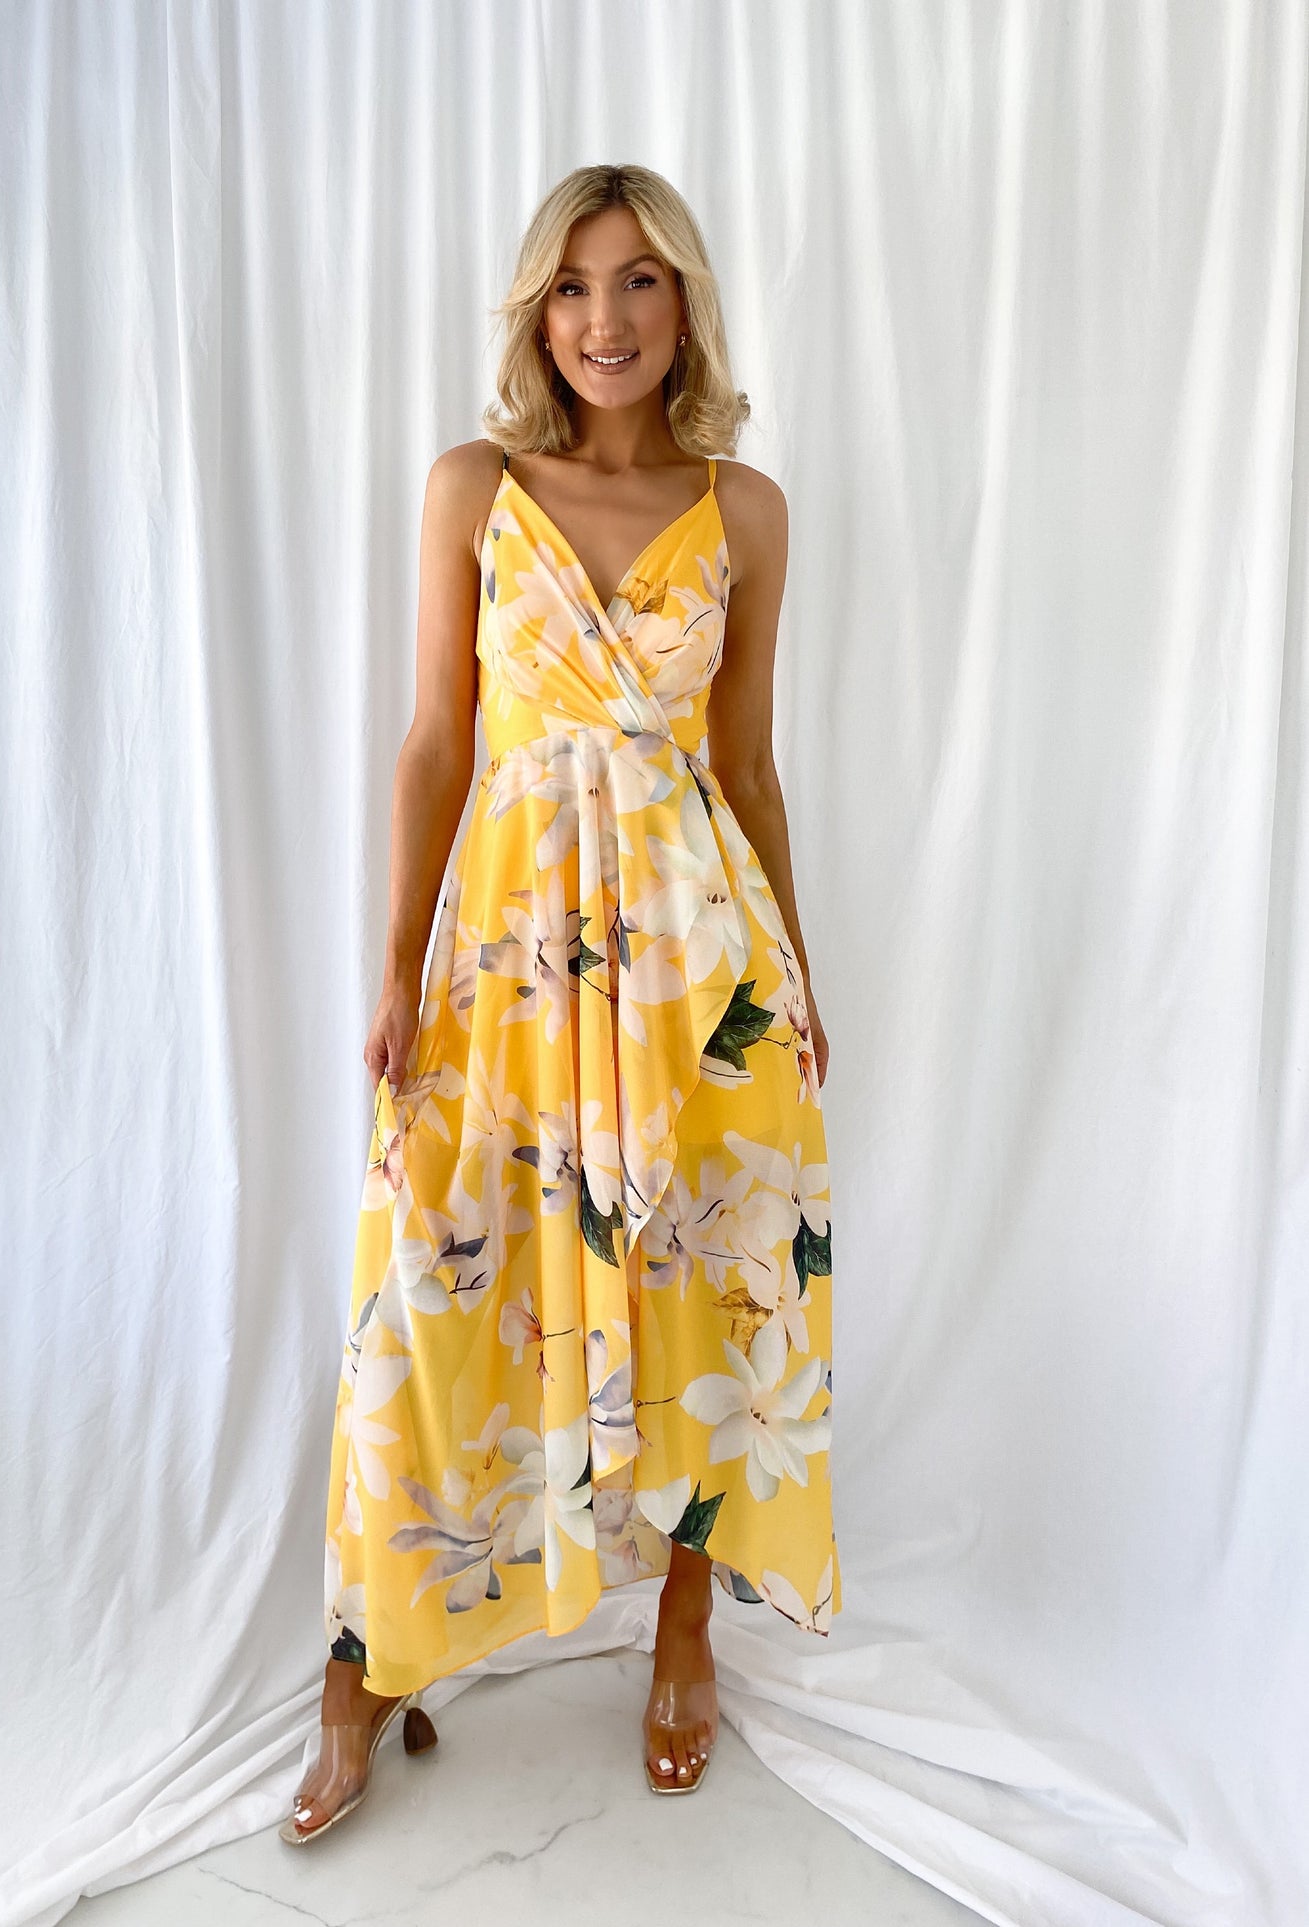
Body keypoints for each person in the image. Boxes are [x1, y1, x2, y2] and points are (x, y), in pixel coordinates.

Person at [280, 161, 840, 1845]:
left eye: (642, 283)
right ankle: (367, 1658)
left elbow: (744, 764)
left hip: (699, 971)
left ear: (685, 307)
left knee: (699, 1284)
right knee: (435, 1300)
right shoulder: (474, 485)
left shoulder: (744, 510)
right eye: (577, 286)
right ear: (539, 309)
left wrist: (798, 975)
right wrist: (393, 964)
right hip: (507, 966)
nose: (607, 319)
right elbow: (438, 742)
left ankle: (684, 1637)